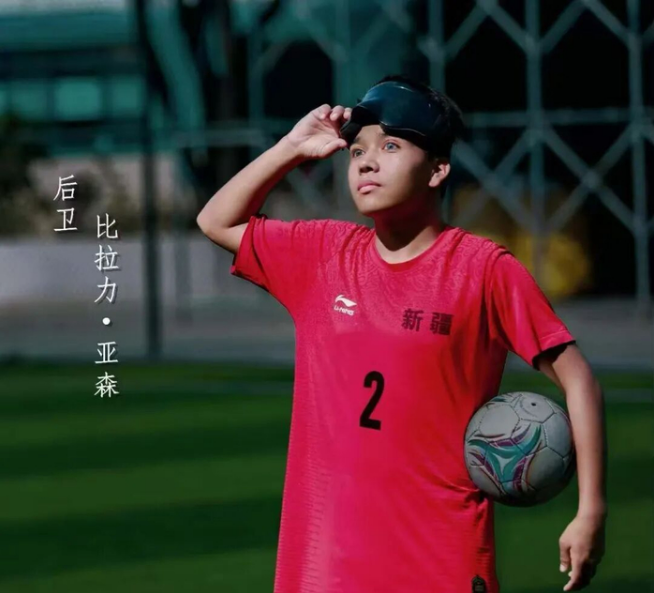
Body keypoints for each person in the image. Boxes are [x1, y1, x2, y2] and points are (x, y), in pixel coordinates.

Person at [196, 74, 607, 593]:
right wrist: (291, 148)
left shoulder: (483, 269)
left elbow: (578, 380)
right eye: (357, 151)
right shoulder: (322, 255)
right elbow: (216, 220)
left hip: (440, 559)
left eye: (390, 146)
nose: (367, 162)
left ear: (438, 169)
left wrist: (591, 510)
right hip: (326, 562)